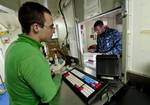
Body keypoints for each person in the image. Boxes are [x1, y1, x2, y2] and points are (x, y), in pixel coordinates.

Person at [5, 2, 62, 105]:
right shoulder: (31, 54)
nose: (53, 31)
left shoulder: (14, 46)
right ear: (36, 27)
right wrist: (58, 76)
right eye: (51, 26)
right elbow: (49, 95)